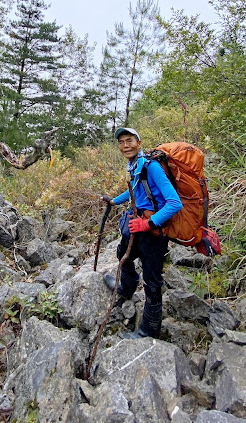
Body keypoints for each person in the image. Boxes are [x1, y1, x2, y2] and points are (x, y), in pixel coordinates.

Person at [102, 127, 182, 339]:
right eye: (121, 142)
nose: (125, 145)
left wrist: (148, 224)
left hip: (153, 231)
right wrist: (114, 201)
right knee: (123, 256)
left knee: (152, 280)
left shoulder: (152, 167)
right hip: (136, 225)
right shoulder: (135, 165)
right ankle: (126, 288)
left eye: (129, 140)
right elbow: (134, 190)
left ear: (139, 142)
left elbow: (175, 203)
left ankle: (149, 329)